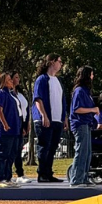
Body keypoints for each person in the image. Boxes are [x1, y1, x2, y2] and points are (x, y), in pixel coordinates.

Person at [32, 54, 67, 183]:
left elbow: (62, 101)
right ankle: (42, 173)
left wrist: (64, 118)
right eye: (59, 61)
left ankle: (48, 172)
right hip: (46, 119)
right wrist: (43, 115)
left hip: (57, 119)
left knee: (52, 147)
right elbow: (38, 98)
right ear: (52, 62)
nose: (61, 64)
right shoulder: (42, 79)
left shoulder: (58, 81)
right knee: (44, 146)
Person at [68, 66, 99, 188]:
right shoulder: (79, 91)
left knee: (87, 152)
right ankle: (76, 179)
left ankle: (83, 177)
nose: (93, 77)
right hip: (80, 124)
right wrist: (93, 109)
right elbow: (77, 109)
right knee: (81, 151)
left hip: (86, 124)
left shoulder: (86, 91)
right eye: (91, 74)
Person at [0, 72, 20, 188]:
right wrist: (5, 124)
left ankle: (8, 177)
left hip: (13, 130)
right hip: (4, 129)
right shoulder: (0, 94)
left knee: (11, 154)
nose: (11, 81)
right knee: (2, 154)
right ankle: (0, 178)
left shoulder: (10, 94)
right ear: (2, 82)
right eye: (8, 80)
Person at [8, 71, 30, 184]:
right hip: (14, 124)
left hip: (23, 122)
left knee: (18, 150)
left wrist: (27, 124)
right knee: (13, 150)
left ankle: (20, 174)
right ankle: (9, 174)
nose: (18, 79)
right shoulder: (9, 94)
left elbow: (25, 109)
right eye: (16, 77)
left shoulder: (21, 93)